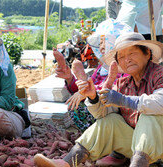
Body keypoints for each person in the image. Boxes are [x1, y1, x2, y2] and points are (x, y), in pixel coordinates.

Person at [34, 32, 163, 167]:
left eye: (132, 54)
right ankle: (67, 162)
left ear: (147, 53)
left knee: (150, 115)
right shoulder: (122, 84)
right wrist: (93, 96)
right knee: (110, 121)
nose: (127, 60)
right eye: (122, 57)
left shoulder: (159, 73)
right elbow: (101, 115)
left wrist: (123, 100)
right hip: (141, 150)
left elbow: (160, 103)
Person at [56, 19, 132, 132]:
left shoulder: (126, 70)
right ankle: (92, 134)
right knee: (75, 105)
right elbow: (82, 91)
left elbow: (114, 93)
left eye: (105, 42)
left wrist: (91, 92)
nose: (101, 47)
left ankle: (99, 134)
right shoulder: (101, 69)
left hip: (114, 114)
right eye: (100, 43)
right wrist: (70, 79)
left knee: (81, 108)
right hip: (96, 106)